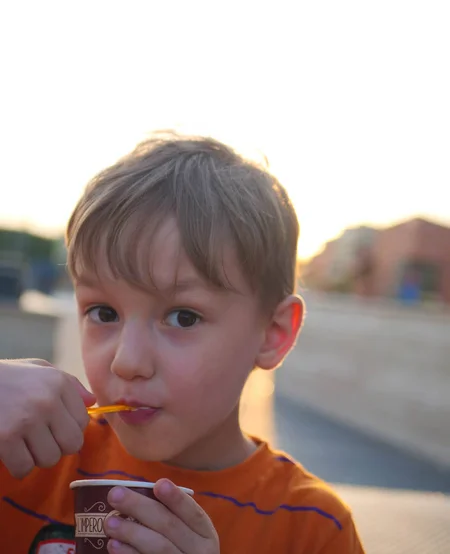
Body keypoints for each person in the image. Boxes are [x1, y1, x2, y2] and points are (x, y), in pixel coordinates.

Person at [0, 133, 365, 553]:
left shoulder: (311, 530)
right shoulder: (26, 457)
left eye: (183, 317)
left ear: (273, 333)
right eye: (103, 313)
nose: (126, 361)